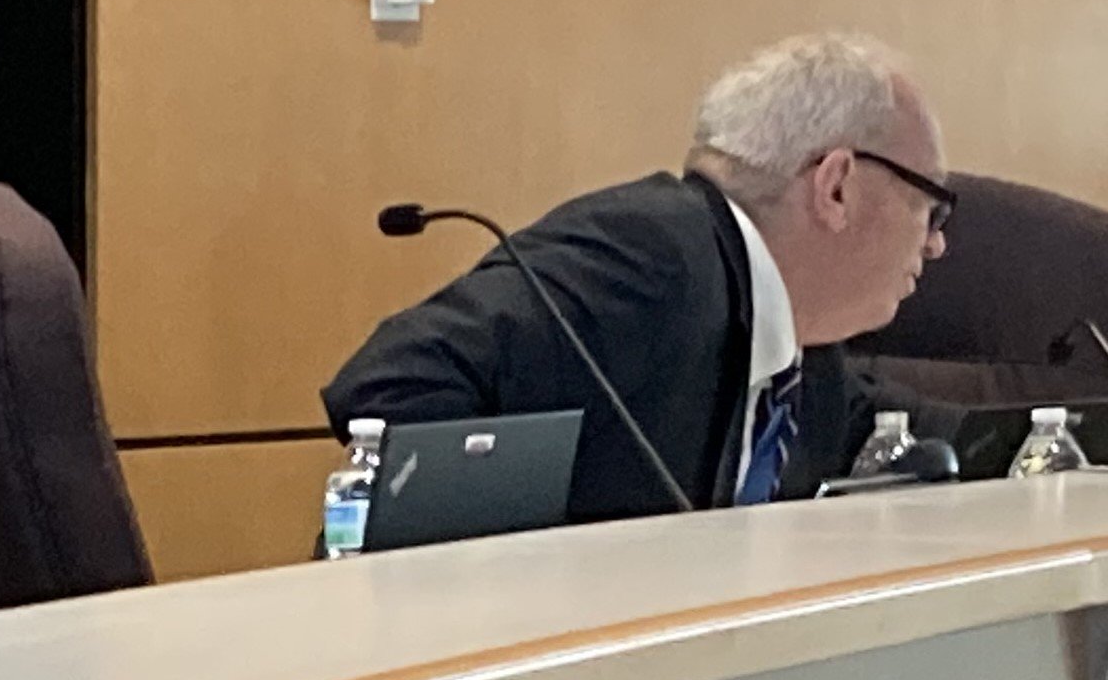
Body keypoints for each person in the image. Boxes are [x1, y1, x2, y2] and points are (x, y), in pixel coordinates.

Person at [323, 32, 953, 520]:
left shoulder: (796, 349)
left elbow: (910, 433)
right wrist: (567, 574)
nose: (938, 241)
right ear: (835, 186)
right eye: (930, 204)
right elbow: (394, 382)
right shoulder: (652, 257)